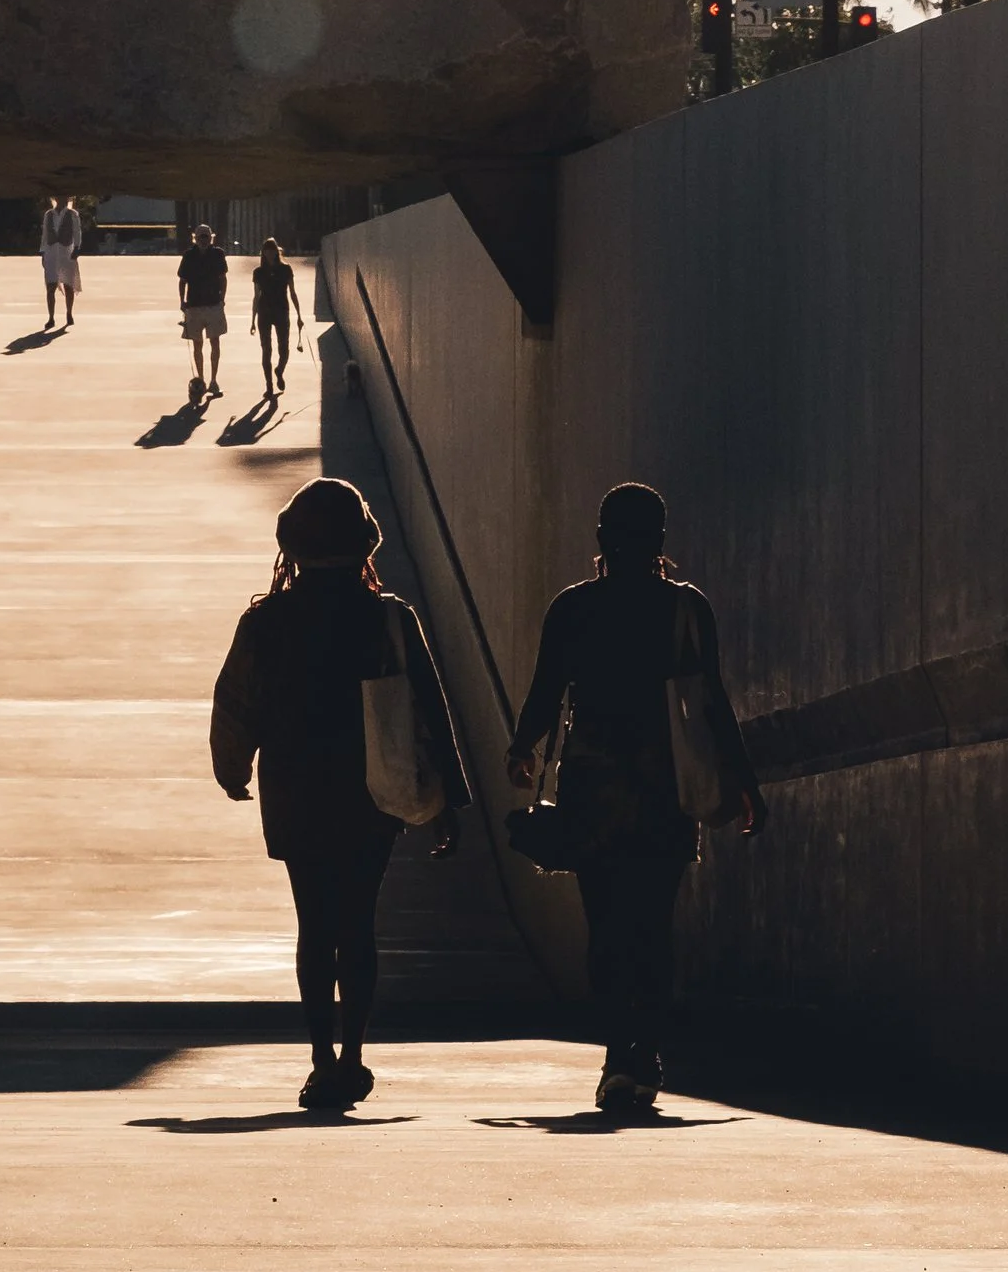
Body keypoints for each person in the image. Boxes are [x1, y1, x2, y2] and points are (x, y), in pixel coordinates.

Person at [210, 475, 467, 1114]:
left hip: (297, 787)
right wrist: (448, 802)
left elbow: (235, 699)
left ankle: (321, 1060)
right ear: (364, 546)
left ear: (291, 547)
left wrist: (231, 764)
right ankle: (353, 1054)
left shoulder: (269, 618)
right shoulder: (389, 618)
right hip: (372, 792)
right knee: (357, 923)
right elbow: (432, 707)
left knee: (313, 921)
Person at [504, 480, 761, 1119]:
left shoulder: (575, 607)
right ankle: (646, 1053)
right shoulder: (685, 608)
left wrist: (522, 747)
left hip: (592, 784)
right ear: (661, 540)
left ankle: (618, 1057)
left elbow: (545, 690)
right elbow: (713, 701)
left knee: (607, 928)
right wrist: (743, 780)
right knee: (652, 925)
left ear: (599, 537)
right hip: (663, 788)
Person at [177, 223, 229, 400]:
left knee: (215, 342)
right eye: (200, 237)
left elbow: (223, 278)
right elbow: (182, 280)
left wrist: (222, 299)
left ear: (211, 238)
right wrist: (182, 301)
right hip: (194, 305)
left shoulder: (218, 254)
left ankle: (214, 380)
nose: (203, 240)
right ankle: (200, 379)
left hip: (213, 303)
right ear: (195, 238)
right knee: (197, 344)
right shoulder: (189, 255)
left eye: (206, 236)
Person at [249, 236, 303, 394]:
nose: (270, 253)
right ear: (263, 253)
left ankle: (279, 370)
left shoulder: (286, 269)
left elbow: (292, 292)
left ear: (276, 251)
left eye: (272, 250)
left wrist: (299, 315)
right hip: (264, 312)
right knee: (266, 349)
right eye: (267, 250)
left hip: (281, 311)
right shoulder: (258, 272)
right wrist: (252, 320)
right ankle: (269, 385)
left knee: (284, 349)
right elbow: (256, 296)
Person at [39, 194, 83, 331]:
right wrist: (42, 251)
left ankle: (69, 313)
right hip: (51, 252)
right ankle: (51, 317)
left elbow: (77, 232)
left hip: (66, 251)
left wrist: (77, 248)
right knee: (50, 285)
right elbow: (45, 234)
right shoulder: (49, 214)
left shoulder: (72, 214)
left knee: (68, 284)